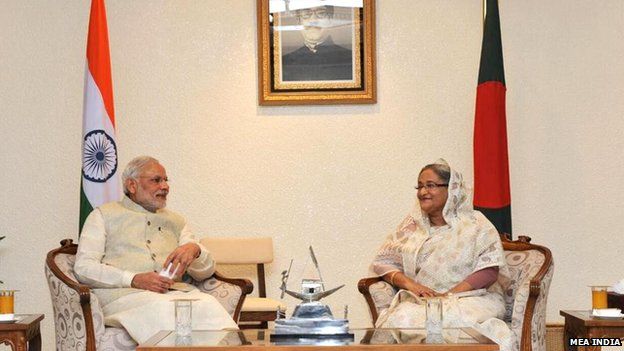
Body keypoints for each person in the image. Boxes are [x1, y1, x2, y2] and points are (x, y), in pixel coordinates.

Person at [74, 156, 237, 343]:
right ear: (132, 185)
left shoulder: (177, 221)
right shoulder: (102, 215)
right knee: (165, 310)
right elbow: (84, 267)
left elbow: (204, 272)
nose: (165, 186)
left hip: (174, 295)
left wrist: (196, 250)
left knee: (209, 305)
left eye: (166, 180)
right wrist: (133, 279)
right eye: (156, 180)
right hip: (125, 299)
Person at [370, 159, 512, 350]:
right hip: (423, 302)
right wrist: (413, 286)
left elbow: (489, 270)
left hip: (469, 298)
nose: (422, 192)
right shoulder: (412, 227)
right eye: (419, 186)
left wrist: (448, 296)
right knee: (401, 317)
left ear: (452, 189)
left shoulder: (475, 223)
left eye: (430, 186)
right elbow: (384, 262)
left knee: (454, 319)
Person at [281, 5, 353, 82]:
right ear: (298, 21)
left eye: (321, 13)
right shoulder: (284, 63)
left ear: (330, 19)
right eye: (306, 14)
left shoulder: (351, 61)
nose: (313, 20)